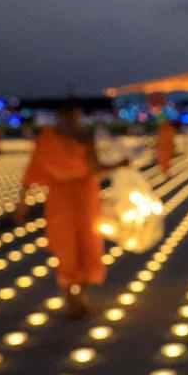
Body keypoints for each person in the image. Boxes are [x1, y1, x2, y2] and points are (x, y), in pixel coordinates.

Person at [15, 103, 126, 318]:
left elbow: (30, 174)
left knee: (80, 244)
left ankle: (75, 295)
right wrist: (120, 164)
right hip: (71, 196)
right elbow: (34, 172)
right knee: (77, 244)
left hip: (75, 195)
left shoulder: (65, 138)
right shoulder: (62, 138)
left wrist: (23, 203)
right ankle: (74, 295)